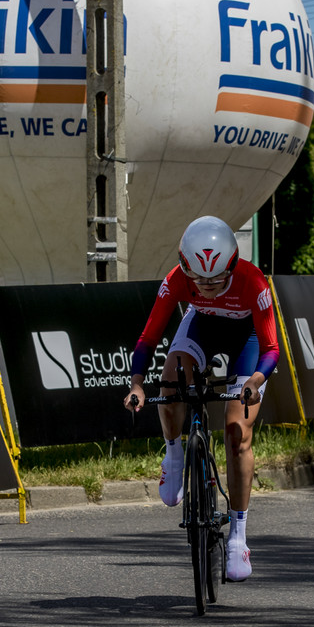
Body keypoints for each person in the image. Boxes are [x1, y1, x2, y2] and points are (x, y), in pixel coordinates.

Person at [123, 216, 279, 582]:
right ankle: (174, 454)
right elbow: (148, 338)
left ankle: (238, 538)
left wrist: (256, 380)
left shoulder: (253, 281)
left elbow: (271, 346)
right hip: (202, 328)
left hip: (248, 340)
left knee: (236, 432)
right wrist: (136, 384)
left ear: (232, 265)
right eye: (199, 280)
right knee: (172, 380)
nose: (207, 287)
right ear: (185, 268)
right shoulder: (177, 280)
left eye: (216, 280)